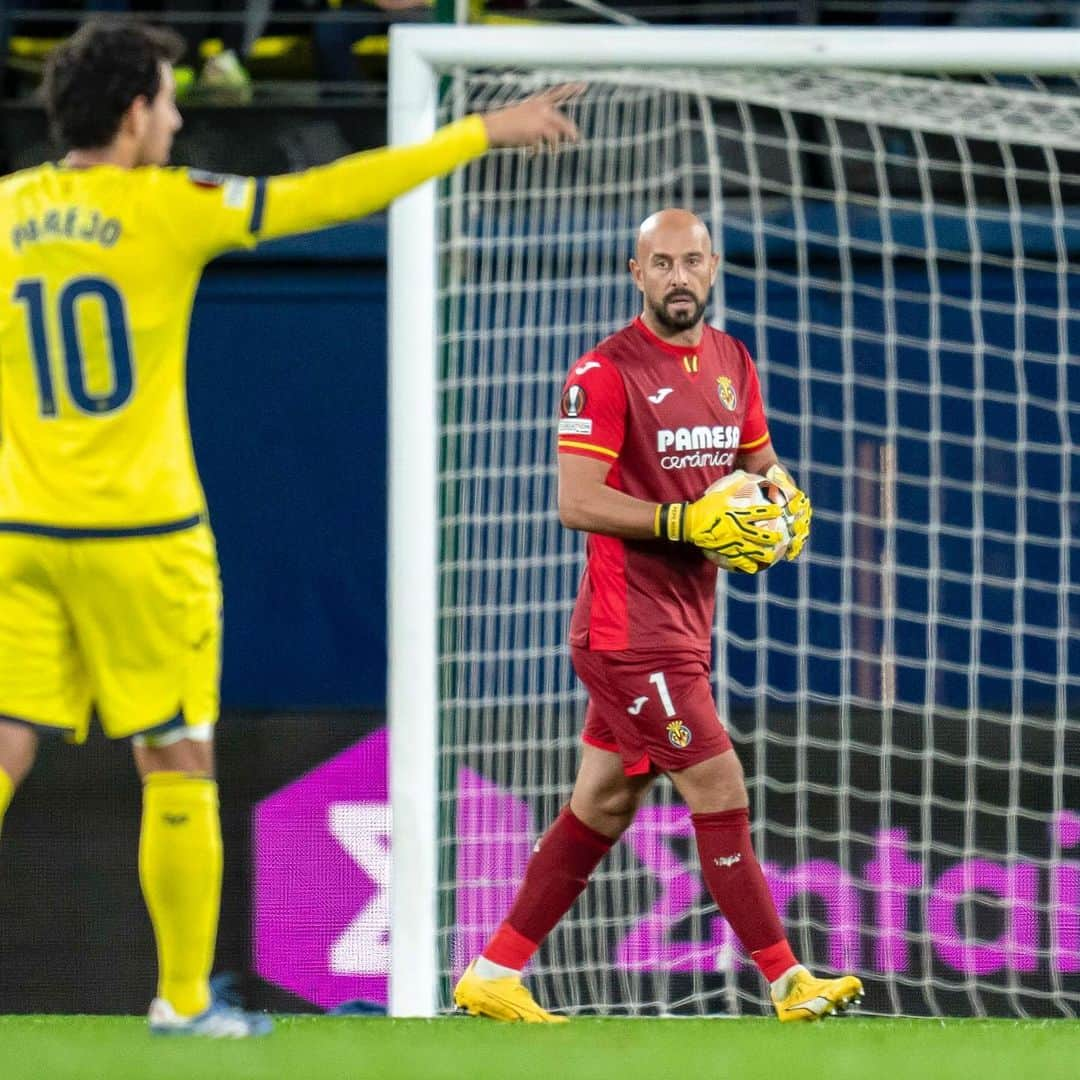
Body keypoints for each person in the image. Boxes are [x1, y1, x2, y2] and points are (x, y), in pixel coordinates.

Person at [0, 18, 578, 1037]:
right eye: (171, 101)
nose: (178, 119)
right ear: (136, 114)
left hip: (19, 533)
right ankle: (181, 1003)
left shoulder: (7, 211)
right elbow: (329, 193)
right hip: (142, 540)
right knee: (175, 759)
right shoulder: (169, 209)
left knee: (5, 746)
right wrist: (478, 133)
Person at [454, 208, 864, 1023]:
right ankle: (787, 981)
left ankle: (494, 971)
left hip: (684, 625)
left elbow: (758, 463)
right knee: (717, 781)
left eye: (694, 262)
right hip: (626, 632)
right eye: (662, 263)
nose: (680, 277)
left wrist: (784, 500)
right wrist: (681, 522)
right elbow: (576, 501)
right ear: (635, 274)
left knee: (603, 803)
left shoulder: (730, 362)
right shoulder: (604, 374)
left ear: (713, 270)